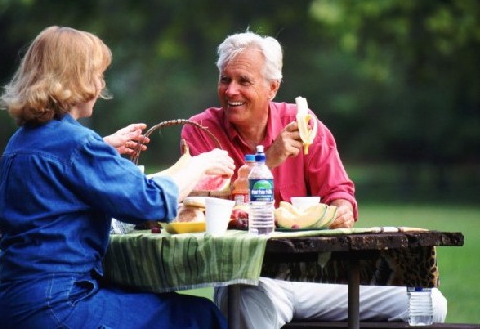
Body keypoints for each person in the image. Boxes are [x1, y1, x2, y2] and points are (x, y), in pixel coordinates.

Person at [180, 30, 447, 328]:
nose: (231, 90)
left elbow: (340, 195)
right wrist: (270, 159)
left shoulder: (304, 127)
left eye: (244, 81)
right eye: (225, 79)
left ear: (273, 88)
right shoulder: (200, 130)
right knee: (247, 303)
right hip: (251, 280)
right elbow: (199, 205)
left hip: (318, 281)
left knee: (430, 303)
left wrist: (342, 210)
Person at [0, 26, 235, 329]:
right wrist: (200, 163)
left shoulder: (20, 143)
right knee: (200, 316)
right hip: (59, 307)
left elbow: (55, 180)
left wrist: (102, 149)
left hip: (10, 307)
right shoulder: (76, 144)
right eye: (98, 73)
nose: (102, 84)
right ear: (77, 78)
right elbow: (152, 200)